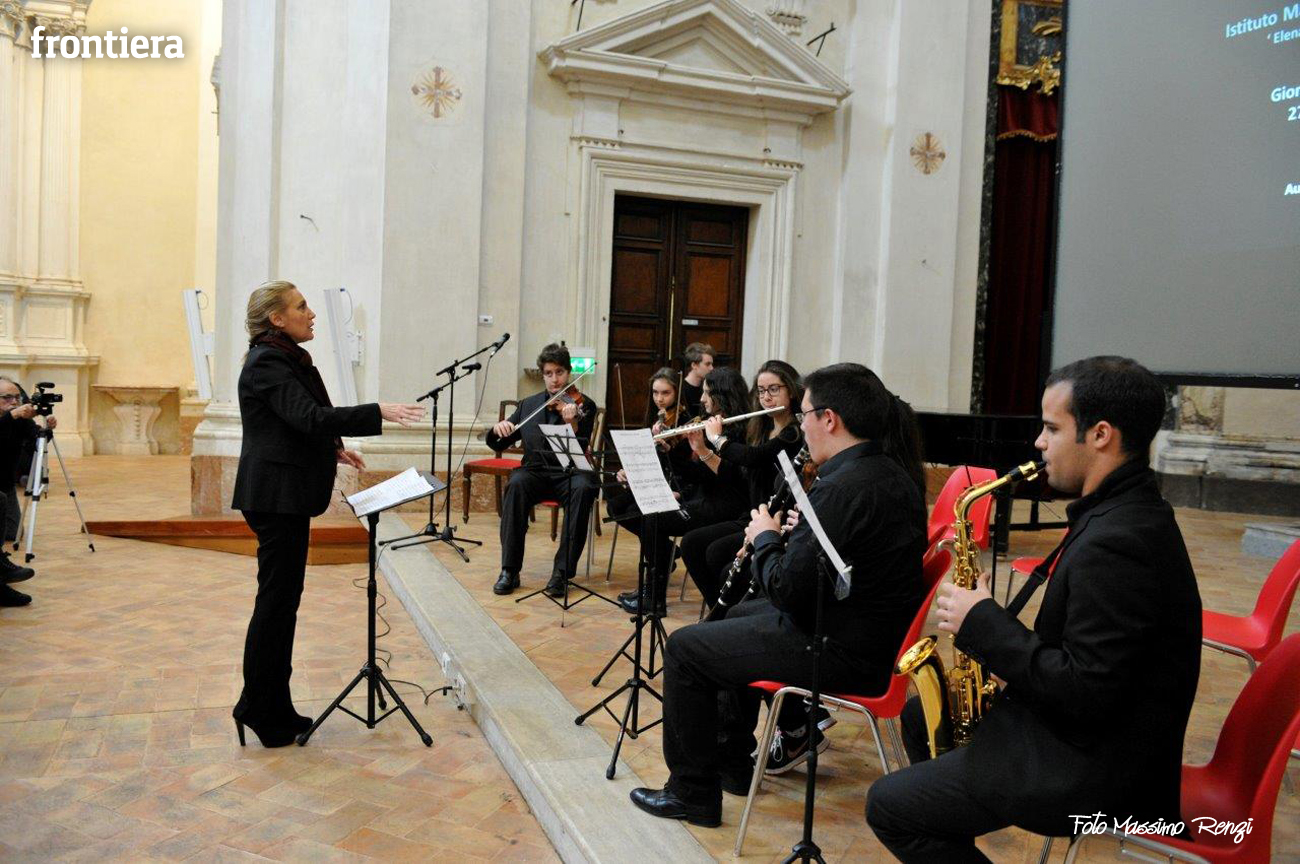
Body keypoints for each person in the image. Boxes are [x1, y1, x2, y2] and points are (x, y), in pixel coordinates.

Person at [866, 356, 1202, 862]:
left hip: (1095, 770)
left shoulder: (1119, 543)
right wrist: (993, 631)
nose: (1039, 443)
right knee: (920, 719)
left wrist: (982, 622)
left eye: (1051, 428)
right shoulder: (1123, 511)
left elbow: (1086, 691)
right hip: (1097, 738)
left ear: (1101, 435)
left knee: (891, 806)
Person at [630, 362, 927, 827]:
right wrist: (796, 535)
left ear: (829, 419)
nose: (802, 426)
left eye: (805, 414)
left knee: (687, 649)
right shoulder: (881, 471)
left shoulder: (844, 486)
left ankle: (691, 793)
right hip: (857, 628)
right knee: (736, 614)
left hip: (842, 647)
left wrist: (766, 538)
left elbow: (788, 589)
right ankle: (730, 762)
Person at [231, 280, 424, 748]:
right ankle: (258, 708)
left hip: (283, 495)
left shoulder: (282, 358)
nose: (311, 314)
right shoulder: (268, 362)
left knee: (282, 604)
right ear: (277, 318)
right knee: (276, 605)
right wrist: (378, 411)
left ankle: (272, 705)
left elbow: (293, 422)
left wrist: (332, 449)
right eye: (301, 307)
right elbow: (309, 418)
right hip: (275, 498)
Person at [615, 367, 751, 617]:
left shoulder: (737, 430)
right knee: (648, 514)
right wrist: (671, 453)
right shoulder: (711, 424)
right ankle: (652, 592)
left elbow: (723, 478)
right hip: (706, 499)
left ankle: (654, 597)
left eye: (707, 393)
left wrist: (701, 448)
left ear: (722, 395)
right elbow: (697, 475)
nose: (702, 399)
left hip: (726, 507)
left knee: (654, 518)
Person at [679, 359, 804, 608]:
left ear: (790, 390)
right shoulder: (760, 428)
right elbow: (736, 474)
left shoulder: (793, 433)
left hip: (772, 519)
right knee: (692, 543)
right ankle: (717, 611)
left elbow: (754, 457)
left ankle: (726, 611)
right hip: (752, 513)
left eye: (773, 389)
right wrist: (701, 448)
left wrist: (718, 440)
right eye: (761, 390)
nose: (766, 397)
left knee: (716, 553)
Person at [485, 343, 600, 597]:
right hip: (535, 472)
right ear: (543, 375)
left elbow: (581, 447)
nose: (554, 379)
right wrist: (497, 430)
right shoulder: (528, 405)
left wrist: (572, 423)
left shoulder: (584, 405)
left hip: (570, 473)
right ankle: (509, 570)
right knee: (516, 483)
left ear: (568, 372)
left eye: (559, 372)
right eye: (548, 373)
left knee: (583, 488)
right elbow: (500, 443)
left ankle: (561, 573)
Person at [0, 377, 44, 606]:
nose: (13, 401)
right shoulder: (11, 418)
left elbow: (37, 439)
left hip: (5, 484)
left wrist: (47, 429)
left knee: (12, 531)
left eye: (17, 397)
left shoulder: (19, 420)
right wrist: (12, 416)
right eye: (6, 398)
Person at [678, 342, 715, 419]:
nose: (712, 368)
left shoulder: (708, 387)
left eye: (712, 364)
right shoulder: (680, 388)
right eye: (707, 364)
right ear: (694, 365)